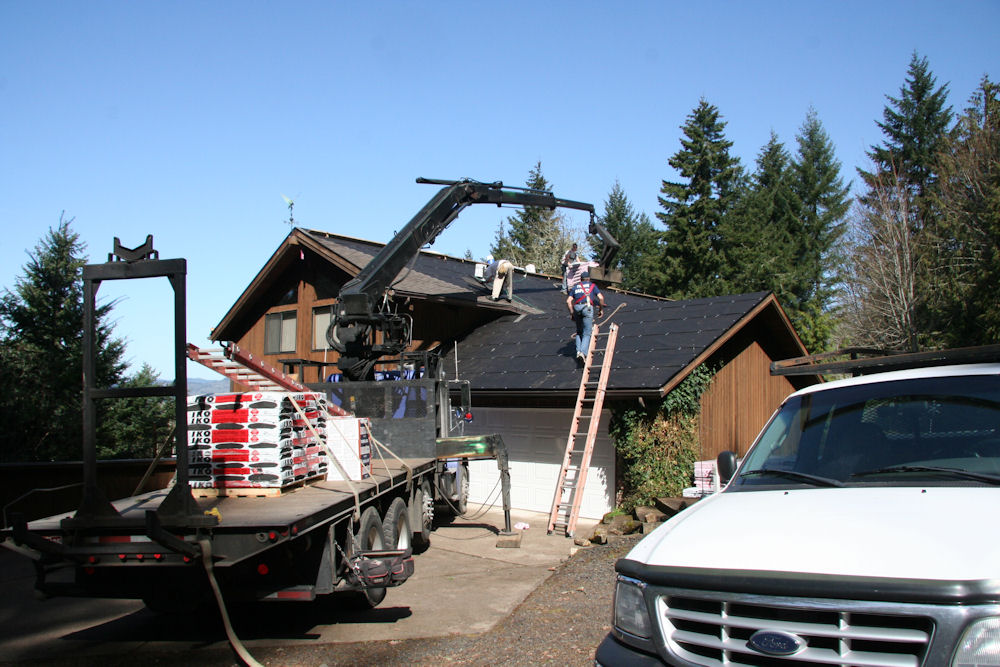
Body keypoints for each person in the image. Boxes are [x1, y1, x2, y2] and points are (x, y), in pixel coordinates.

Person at [566, 271, 605, 362]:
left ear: (581, 279)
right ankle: (583, 353)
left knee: (579, 332)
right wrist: (600, 310)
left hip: (577, 308)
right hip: (587, 308)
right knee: (587, 332)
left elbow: (568, 301)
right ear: (589, 279)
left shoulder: (575, 287)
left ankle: (578, 351)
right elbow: (601, 298)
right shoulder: (592, 286)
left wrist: (572, 313)